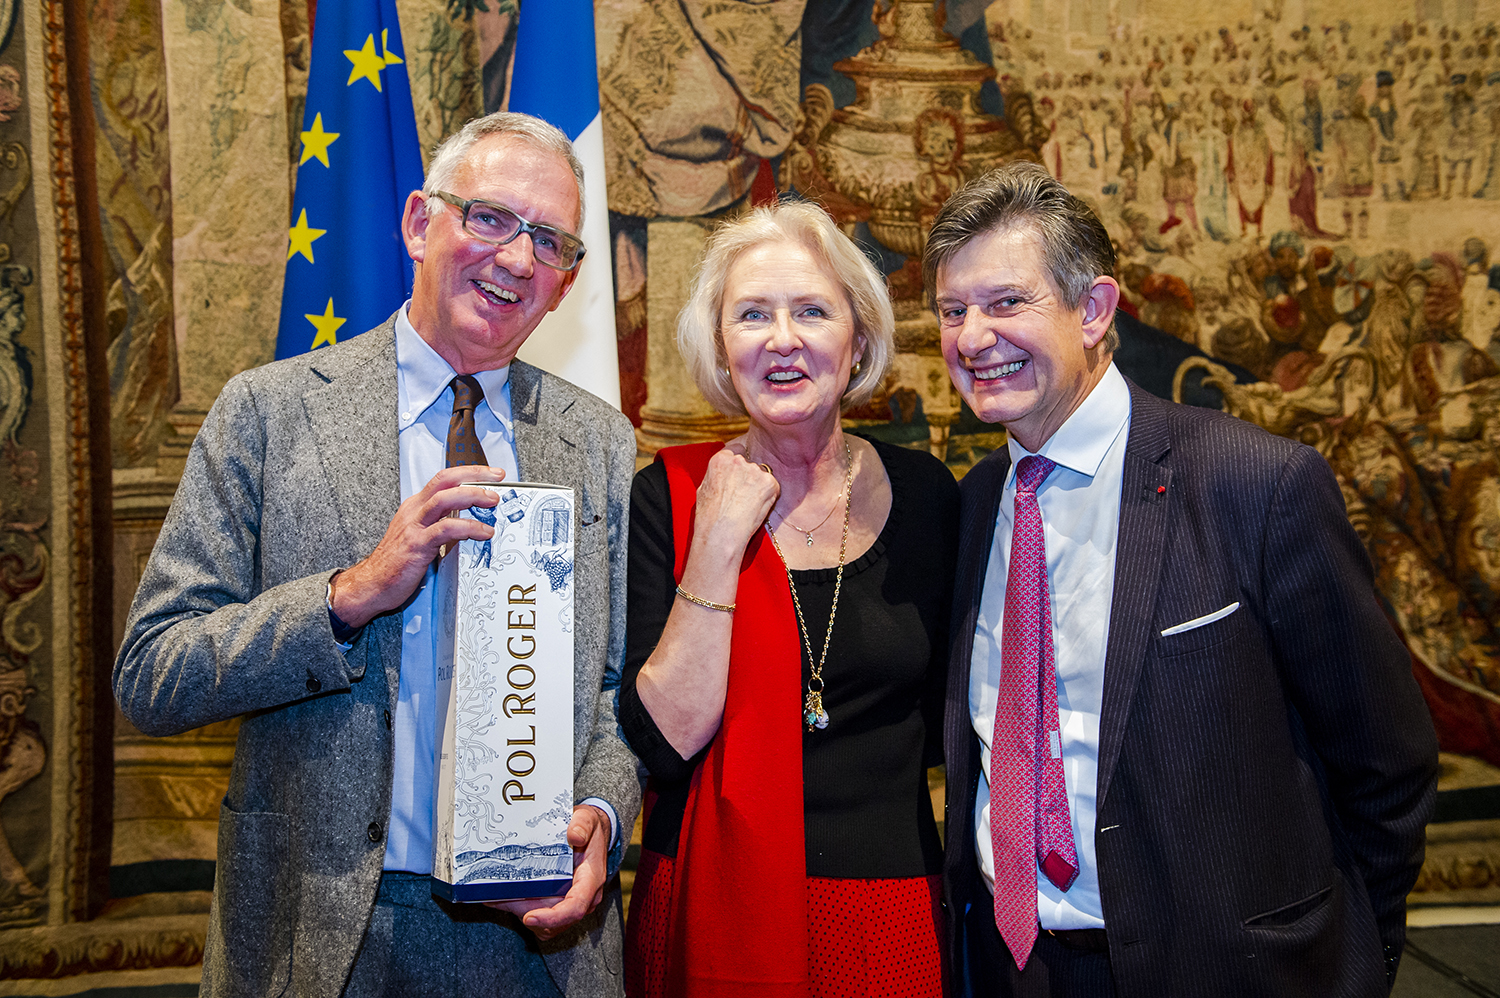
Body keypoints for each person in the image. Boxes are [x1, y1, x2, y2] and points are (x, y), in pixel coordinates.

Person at [113, 112, 641, 998]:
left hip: (539, 942)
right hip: (316, 935)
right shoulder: (270, 413)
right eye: (490, 218)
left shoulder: (601, 443)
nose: (518, 258)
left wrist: (601, 811)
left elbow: (617, 689)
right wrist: (348, 595)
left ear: (566, 283)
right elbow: (152, 673)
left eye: (550, 241)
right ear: (418, 223)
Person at [923, 161, 1438, 997]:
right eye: (953, 310)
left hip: (1231, 974)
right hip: (1015, 967)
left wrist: (1349, 964)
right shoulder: (975, 502)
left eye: (1006, 302)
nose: (973, 337)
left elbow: (1388, 759)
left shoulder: (1255, 483)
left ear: (1094, 310)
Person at [620, 201, 958, 997]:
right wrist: (716, 541)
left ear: (858, 340)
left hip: (889, 904)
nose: (781, 339)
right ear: (721, 347)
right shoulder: (668, 497)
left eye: (811, 311)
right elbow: (664, 741)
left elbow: (951, 722)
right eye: (752, 315)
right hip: (711, 901)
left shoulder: (931, 495)